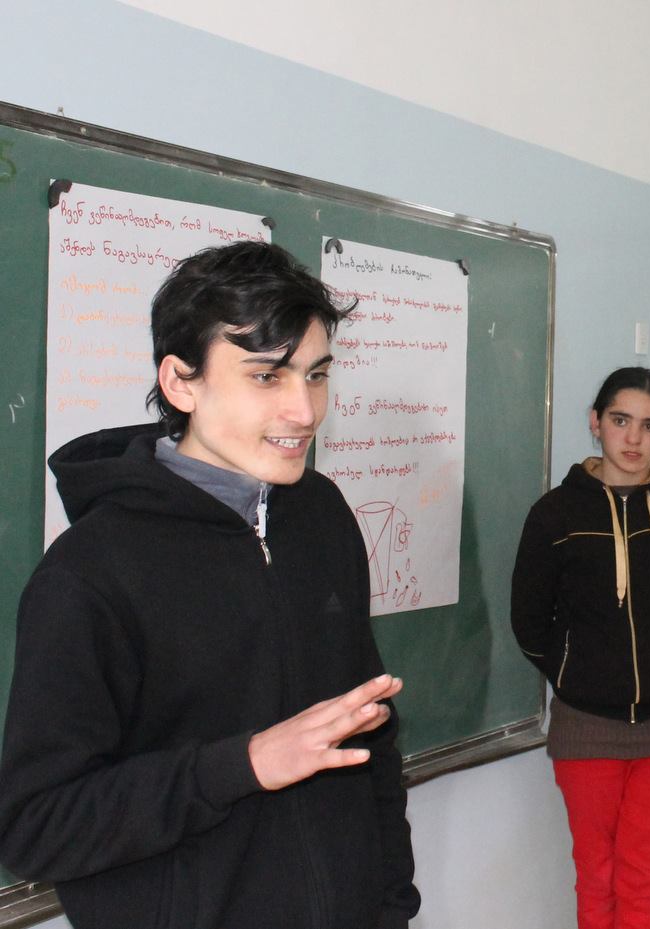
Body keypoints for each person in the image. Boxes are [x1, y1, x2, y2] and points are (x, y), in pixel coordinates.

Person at [0, 241, 420, 929]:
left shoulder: (321, 515)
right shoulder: (90, 572)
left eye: (316, 375)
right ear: (180, 382)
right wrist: (243, 764)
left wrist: (392, 908)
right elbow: (36, 826)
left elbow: (370, 736)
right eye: (267, 376)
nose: (305, 411)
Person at [510, 366, 650, 929]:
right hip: (586, 725)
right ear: (595, 422)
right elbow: (529, 621)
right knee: (597, 877)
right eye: (620, 420)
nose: (634, 438)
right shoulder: (555, 514)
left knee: (645, 882)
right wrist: (574, 673)